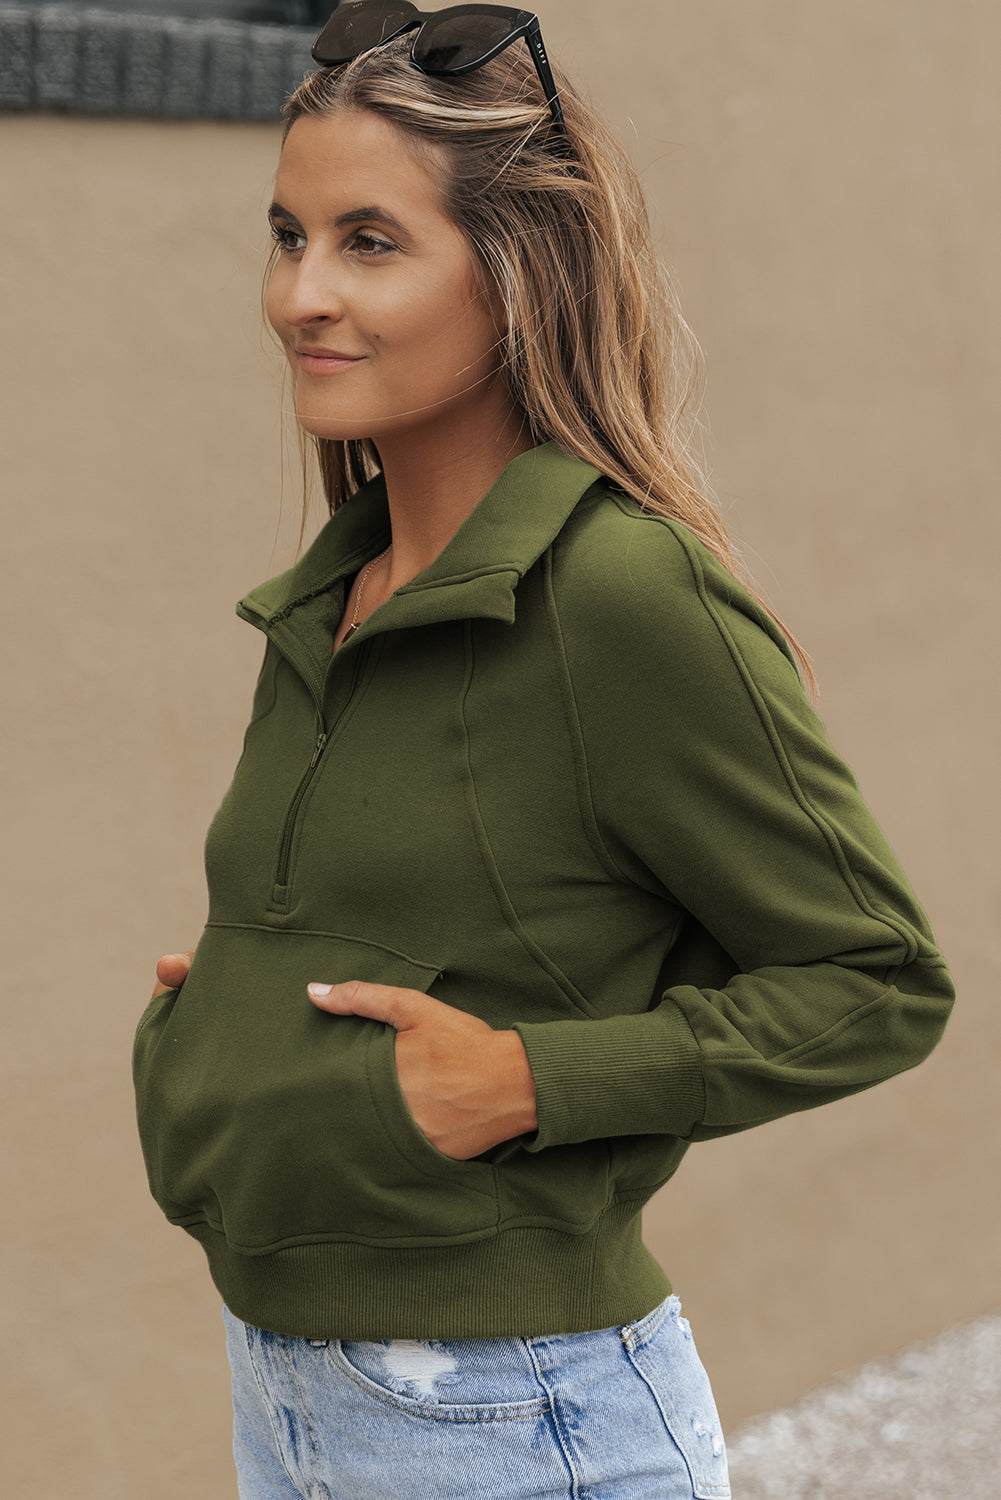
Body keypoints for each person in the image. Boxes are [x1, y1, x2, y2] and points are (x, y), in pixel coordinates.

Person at [133, 5, 956, 1496]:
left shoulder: (621, 598)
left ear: (518, 276)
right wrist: (226, 1027)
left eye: (369, 241)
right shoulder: (341, 587)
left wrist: (527, 1081)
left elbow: (875, 983)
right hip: (288, 1391)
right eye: (286, 235)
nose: (299, 294)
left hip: (509, 1420)